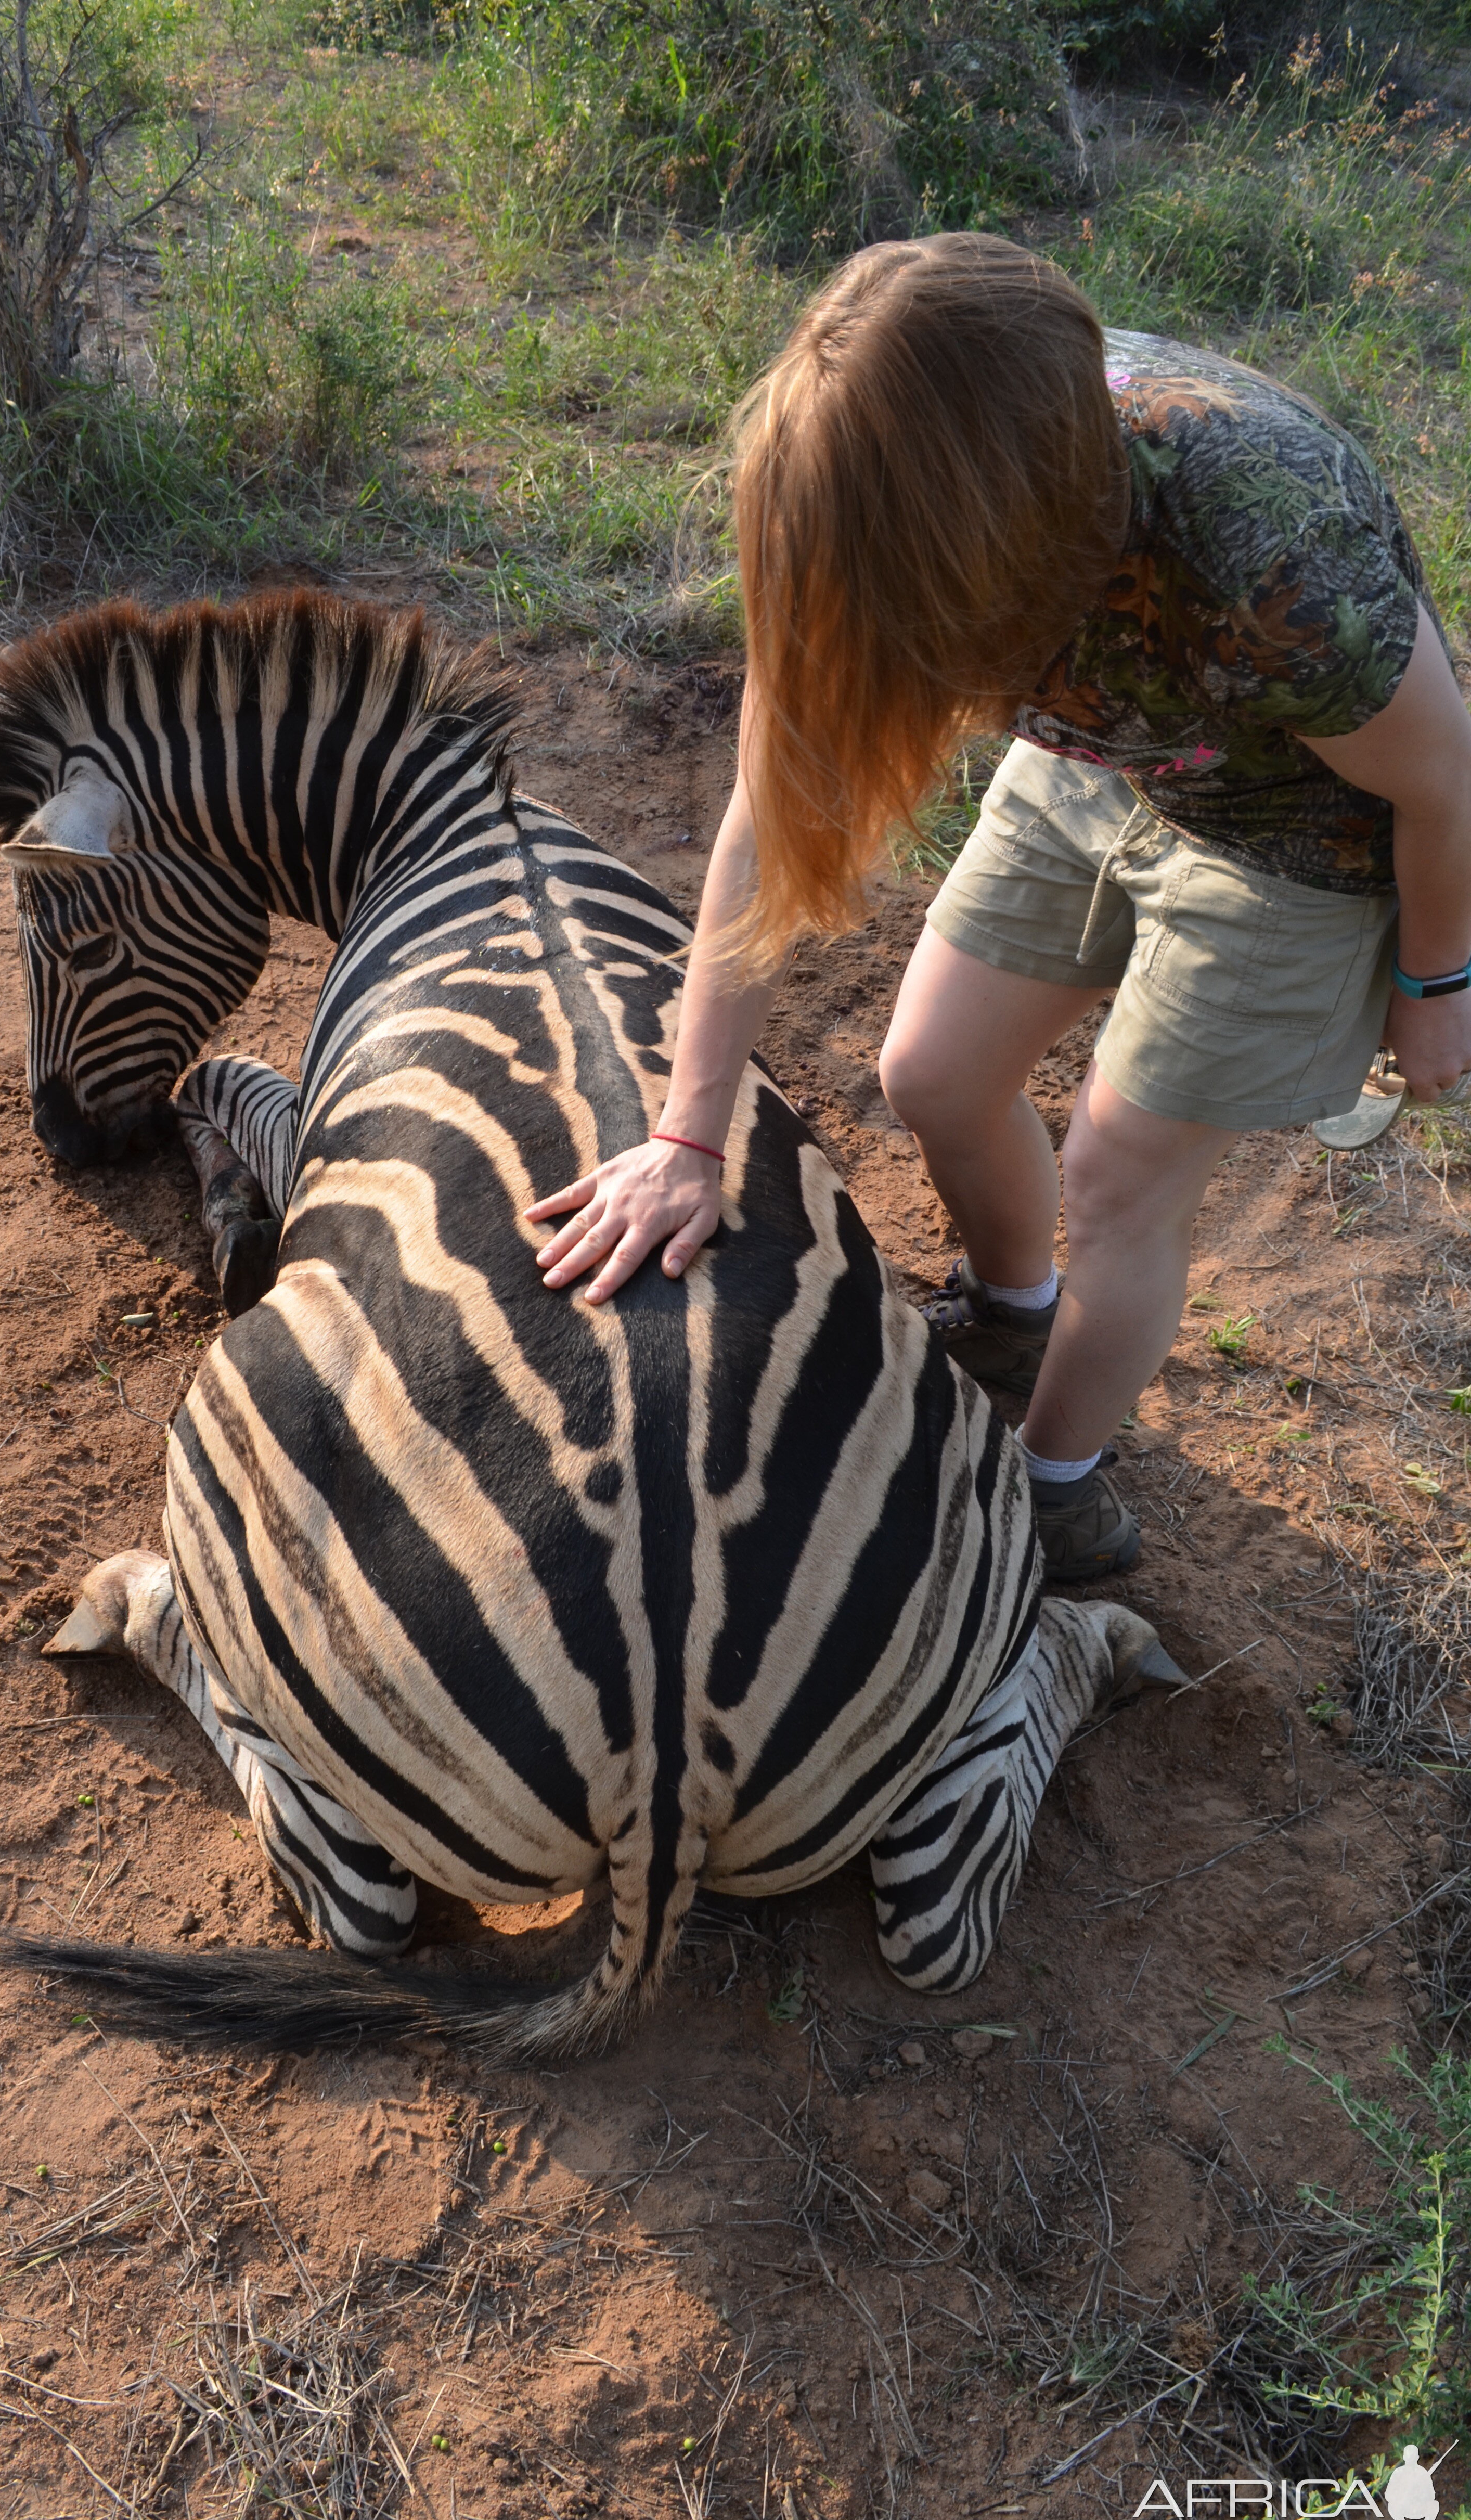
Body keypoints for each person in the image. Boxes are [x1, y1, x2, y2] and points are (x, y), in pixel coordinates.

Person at [526, 232, 1471, 1579]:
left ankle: (1055, 1490)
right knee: (930, 1072)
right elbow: (772, 809)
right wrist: (689, 1131)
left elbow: (1444, 782)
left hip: (1298, 829)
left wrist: (1438, 985)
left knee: (1120, 1174)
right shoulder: (862, 495)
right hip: (1103, 752)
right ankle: (1019, 1309)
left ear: (1012, 539)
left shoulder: (1275, 550)